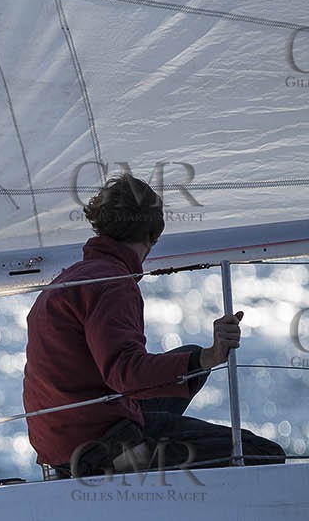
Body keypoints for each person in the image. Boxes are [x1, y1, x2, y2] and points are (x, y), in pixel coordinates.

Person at [24, 172, 284, 475]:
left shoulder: (70, 279)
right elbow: (125, 373)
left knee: (190, 357)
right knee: (263, 454)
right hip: (102, 446)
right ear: (153, 236)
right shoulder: (112, 283)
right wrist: (211, 355)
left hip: (63, 439)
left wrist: (199, 359)